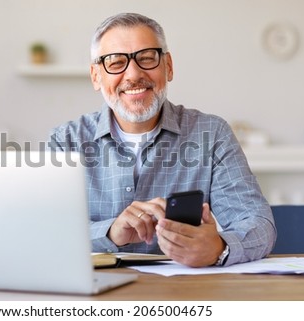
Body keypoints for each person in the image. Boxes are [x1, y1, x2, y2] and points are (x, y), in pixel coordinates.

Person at [48, 12, 276, 267]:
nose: (133, 74)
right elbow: (46, 232)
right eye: (115, 62)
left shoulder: (212, 134)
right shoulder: (64, 141)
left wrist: (219, 248)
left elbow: (258, 224)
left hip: (182, 294)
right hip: (93, 295)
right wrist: (110, 232)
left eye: (146, 58)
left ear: (168, 66)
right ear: (96, 76)